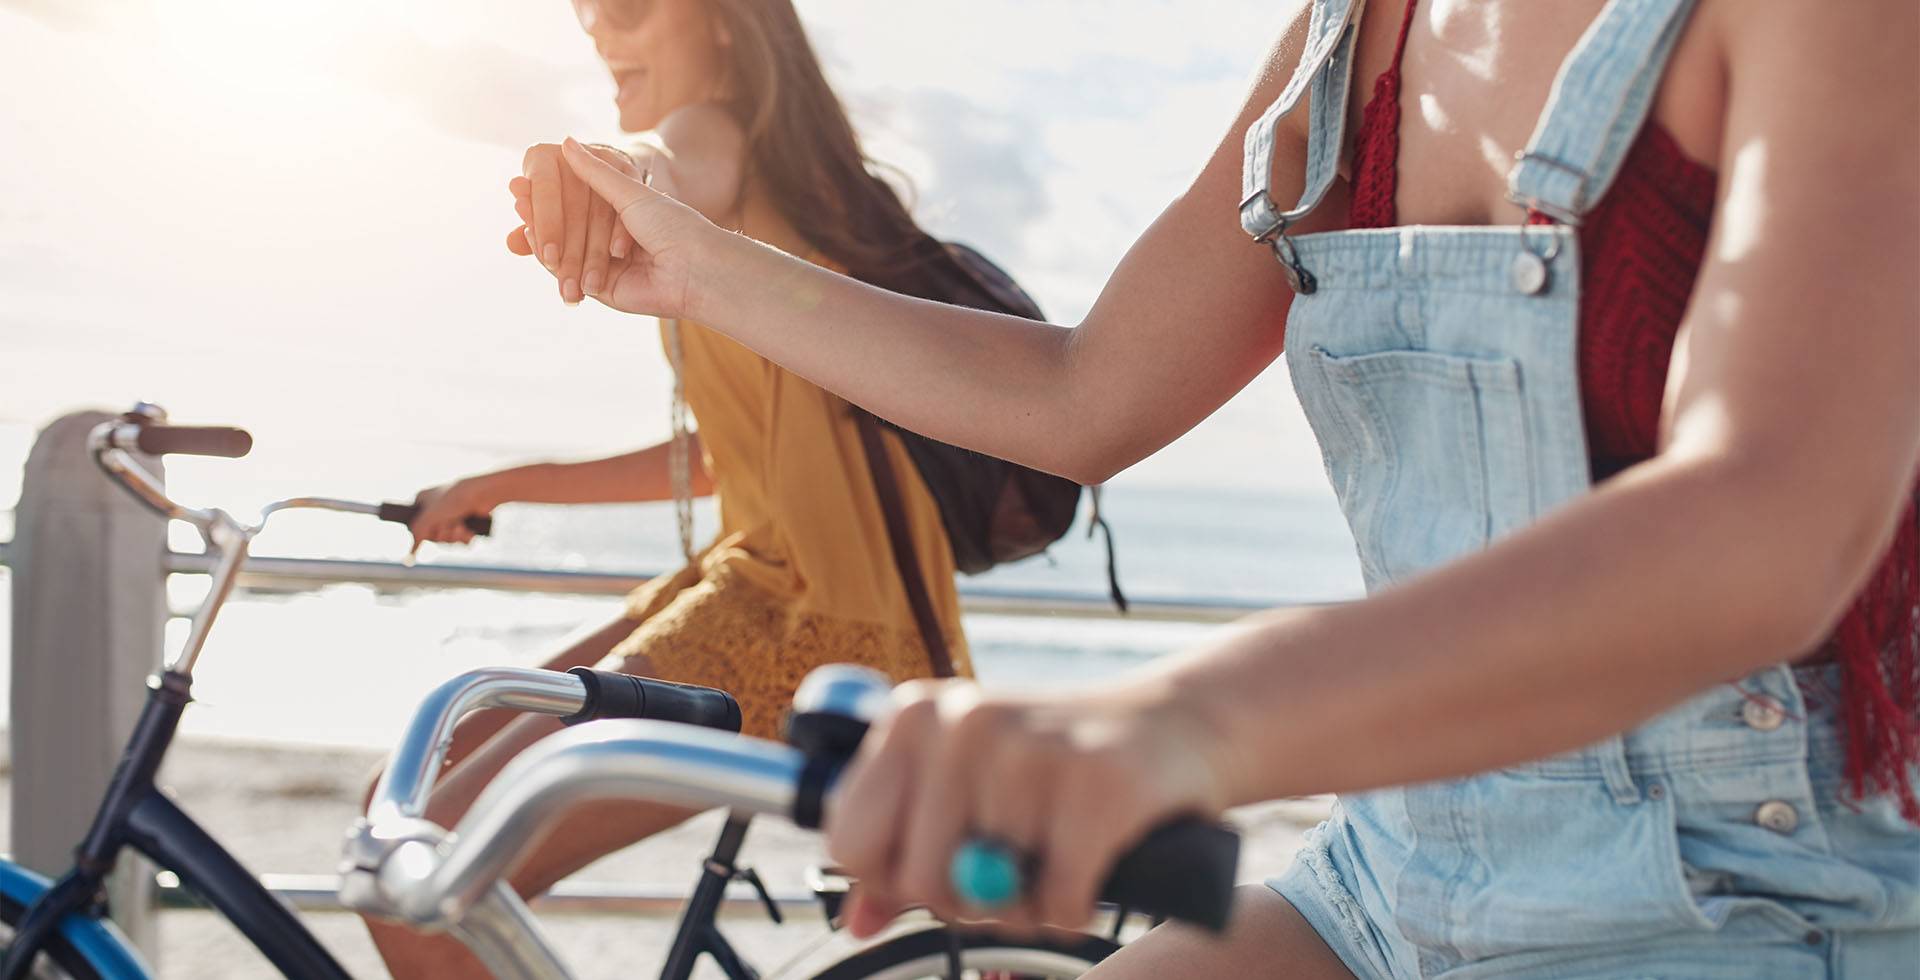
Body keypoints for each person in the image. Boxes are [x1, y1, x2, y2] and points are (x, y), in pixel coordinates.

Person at [517, 0, 1919, 973]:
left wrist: (1158, 729)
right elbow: (1082, 398)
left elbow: (1769, 524)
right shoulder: (1348, 42)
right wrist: (697, 268)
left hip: (1759, 900)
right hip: (1399, 874)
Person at [364, 0, 1015, 974]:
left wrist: (614, 175)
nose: (600, 30)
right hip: (769, 589)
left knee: (429, 885)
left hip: (803, 620)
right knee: (412, 797)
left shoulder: (716, 137)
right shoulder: (794, 199)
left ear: (720, 23)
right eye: (589, 12)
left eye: (628, 8)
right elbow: (721, 455)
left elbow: (669, 160)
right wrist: (505, 482)